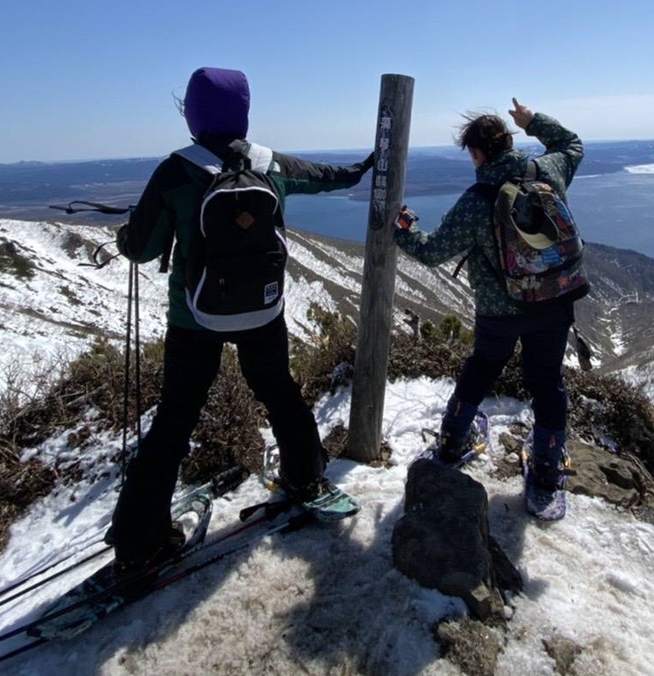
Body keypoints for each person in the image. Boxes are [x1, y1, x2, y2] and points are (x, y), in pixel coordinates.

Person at [105, 66, 373, 572]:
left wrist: (125, 236)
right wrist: (362, 169)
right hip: (262, 310)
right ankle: (306, 477)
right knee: (279, 392)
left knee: (175, 417)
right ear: (243, 111)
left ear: (194, 113)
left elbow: (141, 249)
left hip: (195, 317)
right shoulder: (269, 165)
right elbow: (324, 176)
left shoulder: (176, 170)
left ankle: (141, 538)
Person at [393, 98, 583, 518]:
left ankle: (452, 441)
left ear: (477, 153)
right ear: (508, 143)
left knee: (481, 369)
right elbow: (572, 144)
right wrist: (533, 120)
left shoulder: (477, 200)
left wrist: (403, 230)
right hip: (554, 302)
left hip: (500, 312)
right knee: (547, 381)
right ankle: (547, 471)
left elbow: (432, 252)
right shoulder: (546, 171)